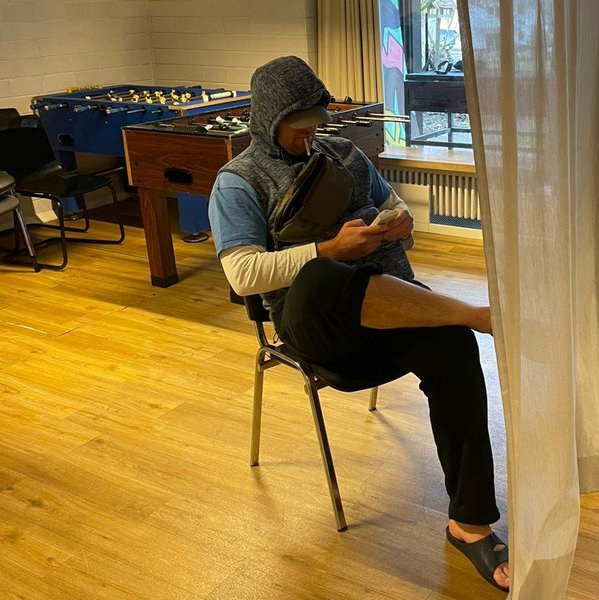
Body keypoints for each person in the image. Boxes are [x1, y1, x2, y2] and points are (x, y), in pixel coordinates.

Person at [208, 56, 509, 592]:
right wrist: (329, 249)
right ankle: (477, 313)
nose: (309, 137)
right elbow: (243, 274)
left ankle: (469, 523)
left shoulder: (344, 155)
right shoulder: (237, 182)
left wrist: (400, 224)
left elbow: (392, 207)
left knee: (454, 345)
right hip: (314, 326)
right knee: (326, 274)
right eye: (297, 128)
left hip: (386, 313)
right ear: (268, 120)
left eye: (314, 125)